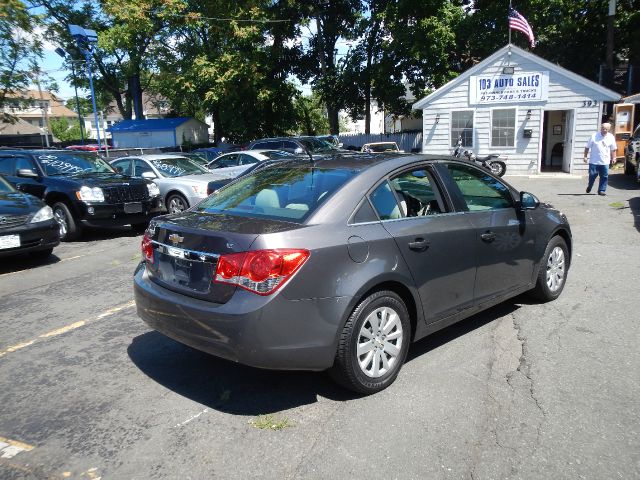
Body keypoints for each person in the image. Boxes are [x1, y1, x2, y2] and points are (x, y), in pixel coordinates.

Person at [583, 122, 617, 196]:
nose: (604, 130)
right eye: (603, 128)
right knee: (592, 176)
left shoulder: (611, 137)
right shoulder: (594, 136)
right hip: (594, 161)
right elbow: (587, 147)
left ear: (609, 130)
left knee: (604, 176)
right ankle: (590, 186)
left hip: (605, 161)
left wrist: (614, 157)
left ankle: (601, 190)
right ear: (600, 128)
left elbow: (613, 149)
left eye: (606, 129)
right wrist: (585, 156)